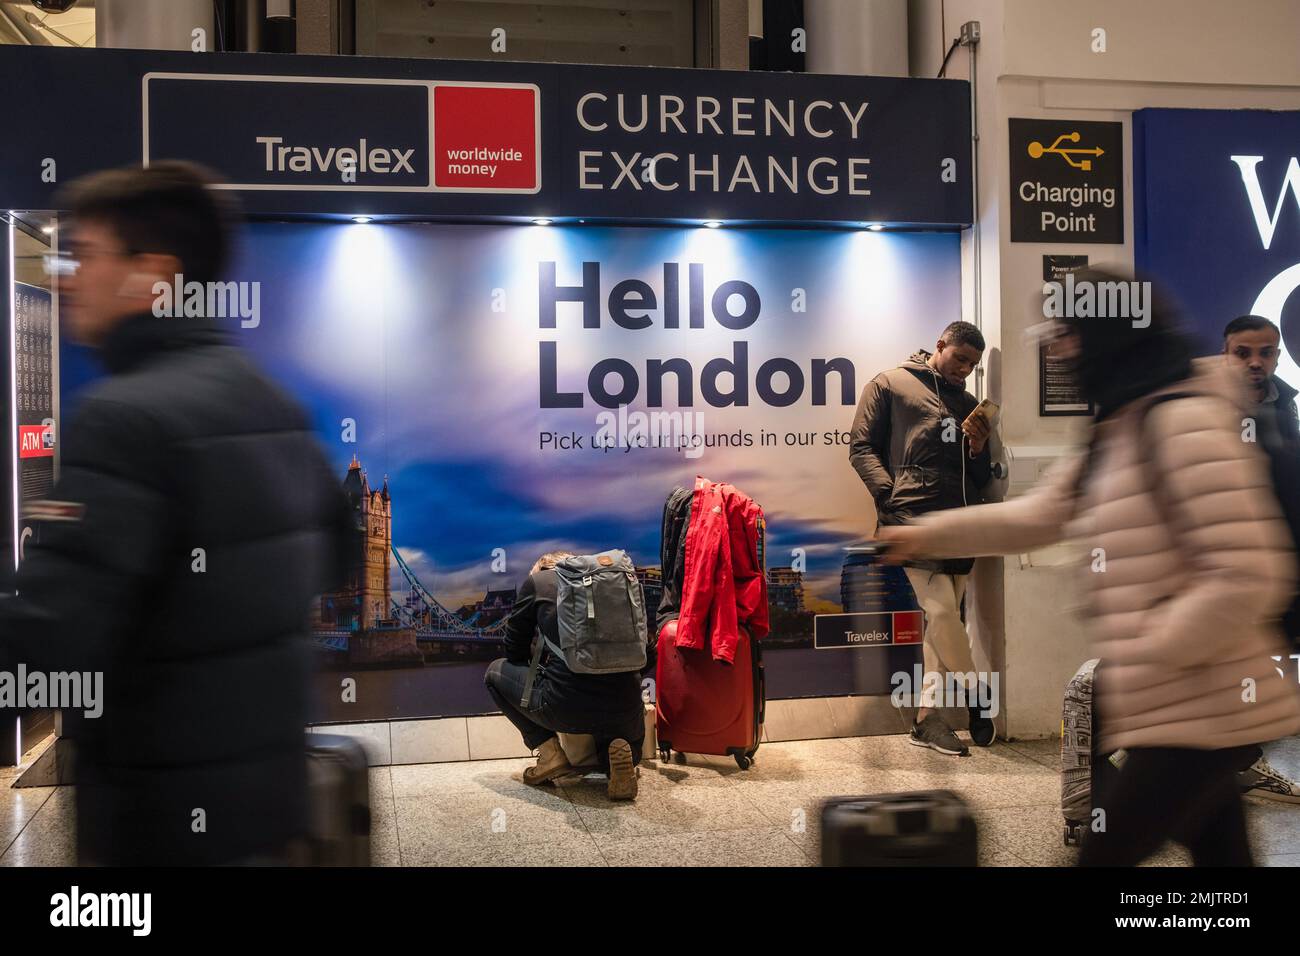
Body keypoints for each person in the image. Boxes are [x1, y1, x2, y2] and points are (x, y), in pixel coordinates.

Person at [880, 270, 1300, 865]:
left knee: (1107, 856)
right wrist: (919, 533)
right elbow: (1040, 517)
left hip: (1201, 704)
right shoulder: (1121, 427)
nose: (1059, 350)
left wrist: (1153, 646)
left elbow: (1249, 573)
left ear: (1109, 334)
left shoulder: (1181, 423)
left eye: (1069, 335)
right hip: (1181, 705)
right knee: (1223, 860)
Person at [0, 162, 352, 865]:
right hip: (272, 816)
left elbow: (44, 640)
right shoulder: (273, 404)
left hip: (158, 827)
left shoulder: (121, 420)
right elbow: (340, 557)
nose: (66, 277)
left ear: (155, 274)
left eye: (87, 254)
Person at [849, 321, 995, 755]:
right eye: (960, 359)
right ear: (940, 346)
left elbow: (980, 476)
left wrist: (978, 449)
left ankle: (927, 719)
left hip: (959, 522)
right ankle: (978, 697)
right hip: (911, 518)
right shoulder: (891, 383)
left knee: (942, 620)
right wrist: (888, 497)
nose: (965, 370)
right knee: (943, 612)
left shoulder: (968, 403)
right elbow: (861, 447)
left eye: (973, 364)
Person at [485, 552, 653, 801]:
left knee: (494, 673)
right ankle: (615, 760)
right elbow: (647, 653)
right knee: (615, 721)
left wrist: (547, 658)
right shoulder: (616, 584)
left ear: (541, 569)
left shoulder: (539, 583)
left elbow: (514, 651)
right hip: (627, 708)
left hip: (565, 706)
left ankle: (551, 755)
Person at [1222, 314, 1300, 803]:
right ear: (1224, 354)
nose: (1256, 362)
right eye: (1243, 352)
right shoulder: (1201, 410)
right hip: (1228, 566)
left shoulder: (1285, 405)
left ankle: (1237, 764)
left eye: (1266, 352)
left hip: (1279, 560)